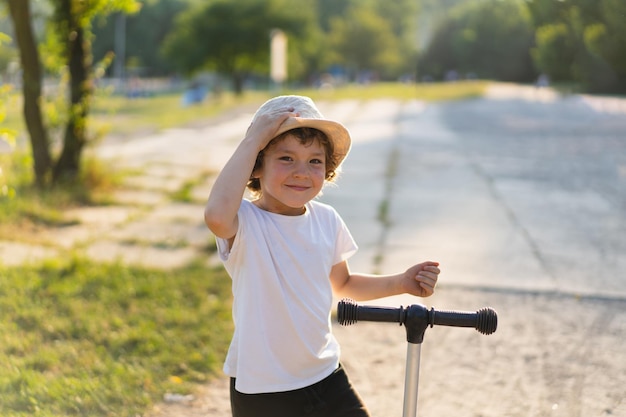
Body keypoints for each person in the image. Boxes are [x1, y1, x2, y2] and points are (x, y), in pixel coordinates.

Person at [204, 95, 440, 417]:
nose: (302, 172)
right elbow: (216, 216)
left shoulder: (326, 220)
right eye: (286, 158)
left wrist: (401, 281)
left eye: (315, 161)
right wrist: (253, 139)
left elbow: (343, 283)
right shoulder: (244, 223)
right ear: (256, 164)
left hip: (324, 373)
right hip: (264, 387)